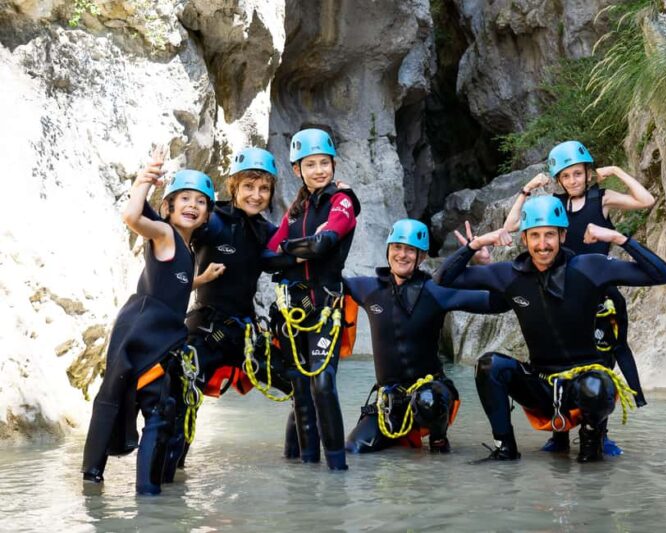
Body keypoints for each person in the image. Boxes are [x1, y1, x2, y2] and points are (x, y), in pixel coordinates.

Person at [435, 195, 666, 463]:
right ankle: (505, 449)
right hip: (541, 384)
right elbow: (444, 279)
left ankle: (591, 450)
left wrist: (619, 238)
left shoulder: (589, 267)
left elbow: (663, 274)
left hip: (586, 384)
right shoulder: (507, 275)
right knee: (489, 365)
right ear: (524, 239)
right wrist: (476, 245)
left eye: (550, 235)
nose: (542, 244)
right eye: (534, 235)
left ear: (563, 235)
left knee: (596, 384)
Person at [504, 140, 655, 454]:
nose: (573, 181)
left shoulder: (602, 199)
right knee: (556, 362)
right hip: (562, 294)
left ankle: (599, 431)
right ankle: (559, 435)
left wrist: (615, 171)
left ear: (588, 173)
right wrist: (526, 191)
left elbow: (646, 200)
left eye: (578, 173)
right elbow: (510, 227)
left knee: (602, 361)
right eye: (566, 176)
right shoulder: (554, 206)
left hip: (600, 295)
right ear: (558, 180)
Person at [82, 147, 216, 495]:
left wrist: (201, 280)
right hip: (143, 332)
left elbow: (174, 282)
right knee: (133, 403)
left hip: (160, 335)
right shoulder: (165, 235)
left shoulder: (185, 251)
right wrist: (145, 179)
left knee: (155, 409)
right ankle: (141, 492)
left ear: (207, 215)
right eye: (183, 198)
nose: (192, 205)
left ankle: (115, 484)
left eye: (200, 202)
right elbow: (131, 216)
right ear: (168, 208)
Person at [173, 147, 298, 473]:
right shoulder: (213, 220)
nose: (256, 195)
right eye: (248, 187)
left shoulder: (266, 233)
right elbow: (176, 225)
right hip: (204, 330)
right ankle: (171, 476)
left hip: (244, 334)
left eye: (263, 189)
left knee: (302, 388)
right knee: (185, 400)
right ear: (234, 186)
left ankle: (300, 468)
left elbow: (290, 255)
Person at [344, 219, 509, 454]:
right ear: (388, 251)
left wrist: (486, 267)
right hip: (390, 399)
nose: (402, 255)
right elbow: (326, 282)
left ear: (421, 258)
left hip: (433, 392)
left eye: (411, 250)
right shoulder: (368, 289)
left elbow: (498, 303)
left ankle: (439, 441)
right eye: (397, 248)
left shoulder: (436, 291)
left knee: (427, 399)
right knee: (353, 450)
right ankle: (399, 434)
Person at [263, 128, 359, 471]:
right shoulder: (296, 211)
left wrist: (292, 250)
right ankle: (305, 473)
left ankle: (337, 470)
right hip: (293, 310)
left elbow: (326, 243)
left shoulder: (342, 200)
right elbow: (266, 257)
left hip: (325, 306)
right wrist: (300, 251)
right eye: (310, 164)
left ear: (333, 164)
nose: (319, 170)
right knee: (300, 388)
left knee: (322, 383)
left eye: (324, 163)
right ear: (297, 170)